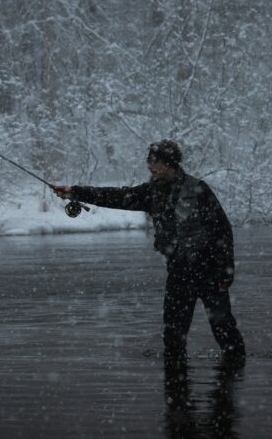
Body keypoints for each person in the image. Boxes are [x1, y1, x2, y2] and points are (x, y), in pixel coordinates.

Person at [50, 140, 246, 366]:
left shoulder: (198, 189)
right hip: (179, 274)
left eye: (154, 161)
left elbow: (222, 231)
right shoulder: (151, 193)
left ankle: (234, 377)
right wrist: (75, 191)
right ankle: (177, 386)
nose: (149, 166)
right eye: (148, 161)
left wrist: (225, 273)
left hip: (210, 273)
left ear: (169, 164)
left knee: (224, 329)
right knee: (173, 335)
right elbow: (115, 196)